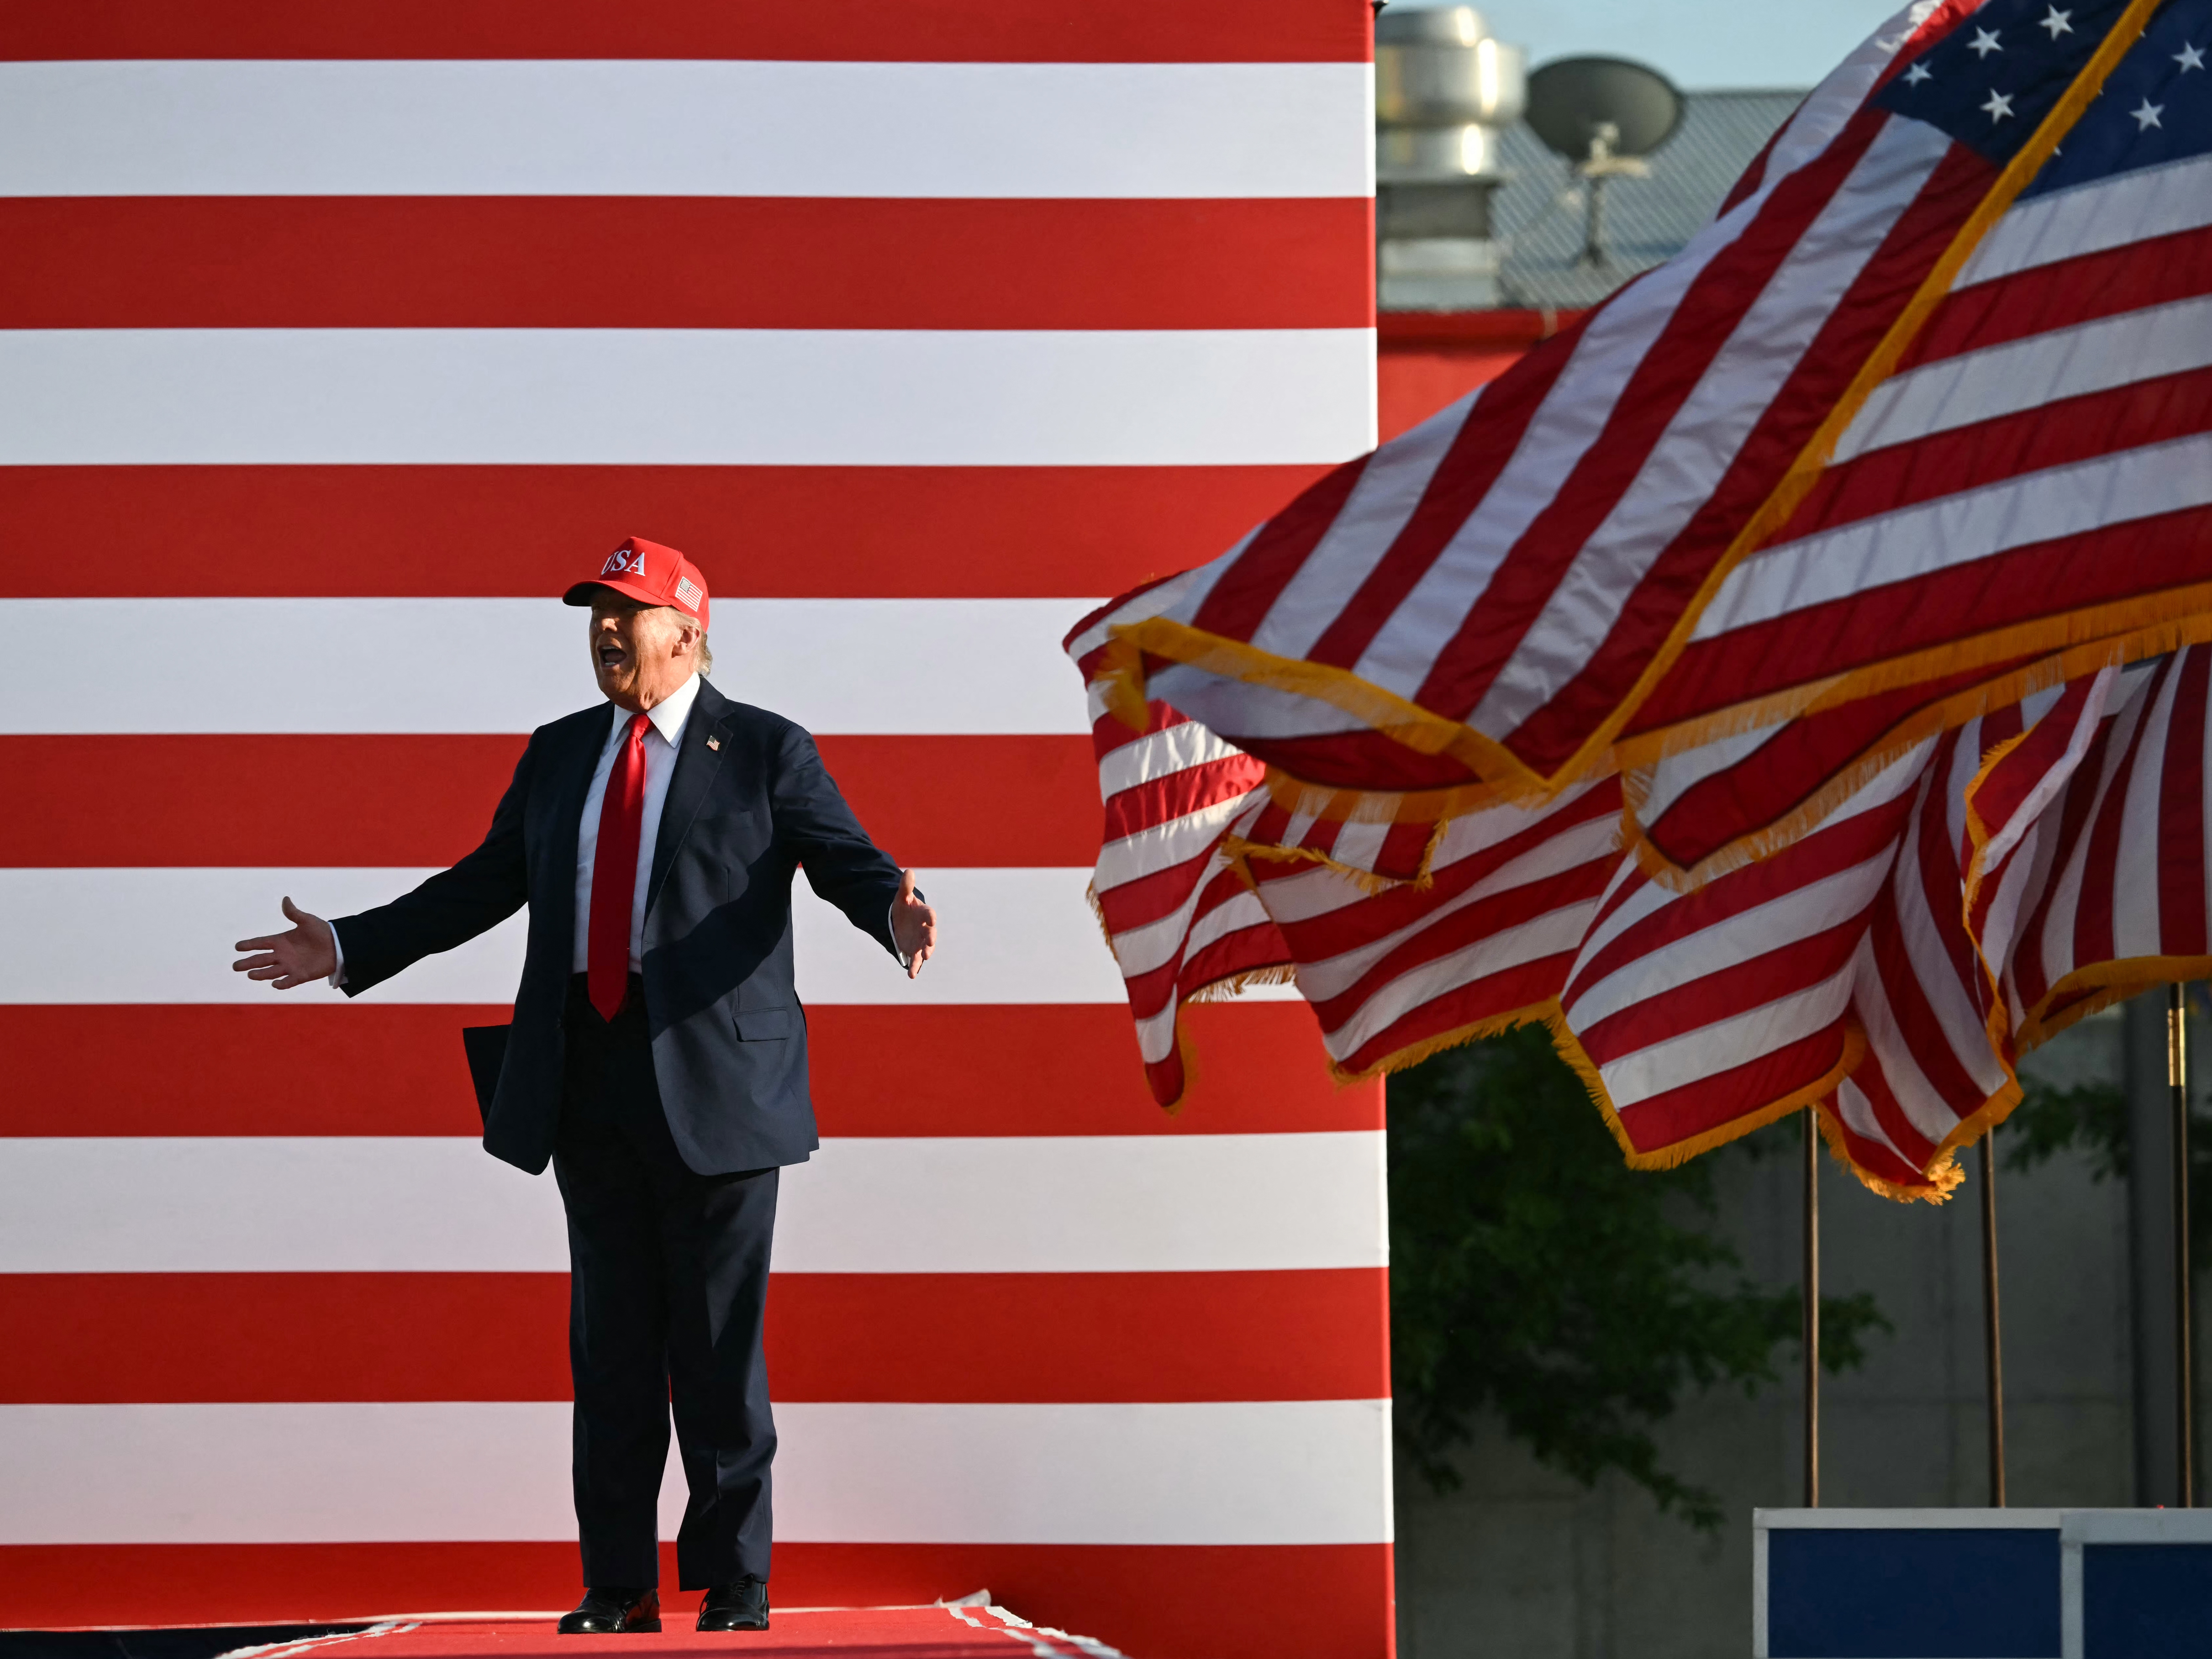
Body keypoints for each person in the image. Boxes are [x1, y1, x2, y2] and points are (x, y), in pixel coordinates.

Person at [232, 537, 937, 1635]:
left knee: (716, 1345)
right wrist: (354, 946)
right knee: (610, 1345)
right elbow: (487, 883)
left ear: (689, 632)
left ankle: (735, 1582)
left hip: (717, 1078)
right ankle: (617, 1587)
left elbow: (840, 854)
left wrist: (891, 913)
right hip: (586, 1071)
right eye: (596, 617)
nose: (607, 634)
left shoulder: (762, 747)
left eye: (630, 614)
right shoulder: (561, 753)